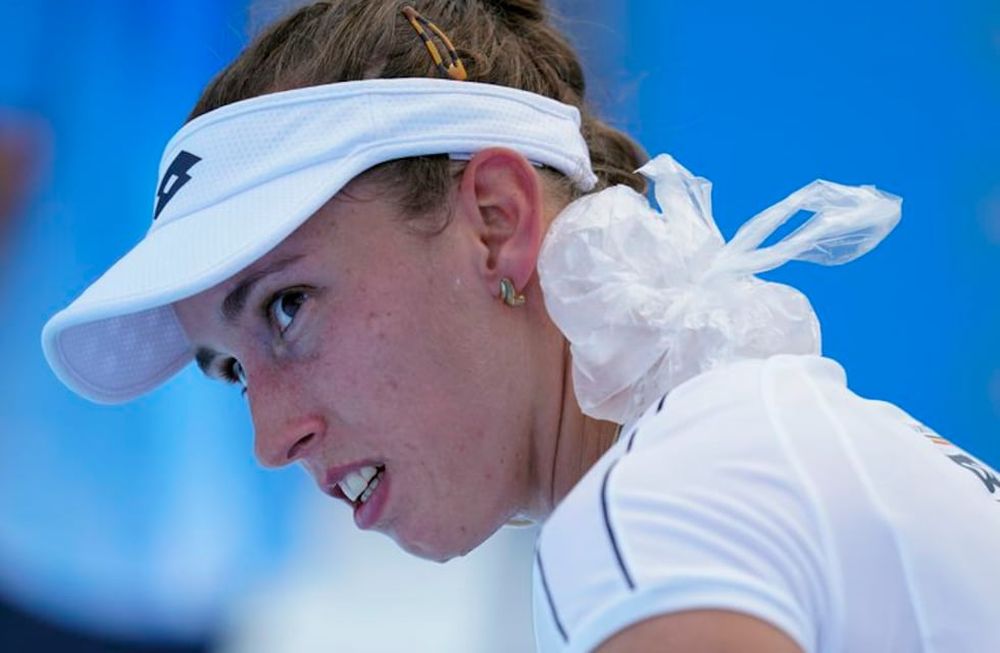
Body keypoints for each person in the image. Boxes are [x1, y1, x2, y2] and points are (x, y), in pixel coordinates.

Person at [40, 2, 1000, 652]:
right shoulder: (726, 454)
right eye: (231, 370)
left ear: (496, 221)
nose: (268, 436)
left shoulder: (655, 511)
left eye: (288, 307)